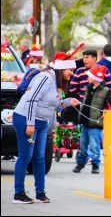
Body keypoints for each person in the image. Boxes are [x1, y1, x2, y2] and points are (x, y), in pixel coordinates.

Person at [12, 50, 81, 204]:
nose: (72, 74)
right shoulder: (45, 78)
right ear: (63, 68)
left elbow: (54, 104)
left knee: (40, 157)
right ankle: (18, 194)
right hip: (26, 118)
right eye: (71, 70)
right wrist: (30, 123)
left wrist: (69, 102)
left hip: (42, 122)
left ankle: (40, 192)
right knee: (26, 156)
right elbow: (31, 100)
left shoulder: (57, 82)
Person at [73, 65, 111, 174]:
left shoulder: (106, 91)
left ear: (96, 78)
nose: (87, 78)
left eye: (89, 76)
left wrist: (106, 113)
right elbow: (86, 103)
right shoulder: (88, 88)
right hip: (85, 122)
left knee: (94, 145)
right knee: (83, 144)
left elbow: (109, 106)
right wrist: (79, 104)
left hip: (95, 123)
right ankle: (81, 163)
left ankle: (95, 164)